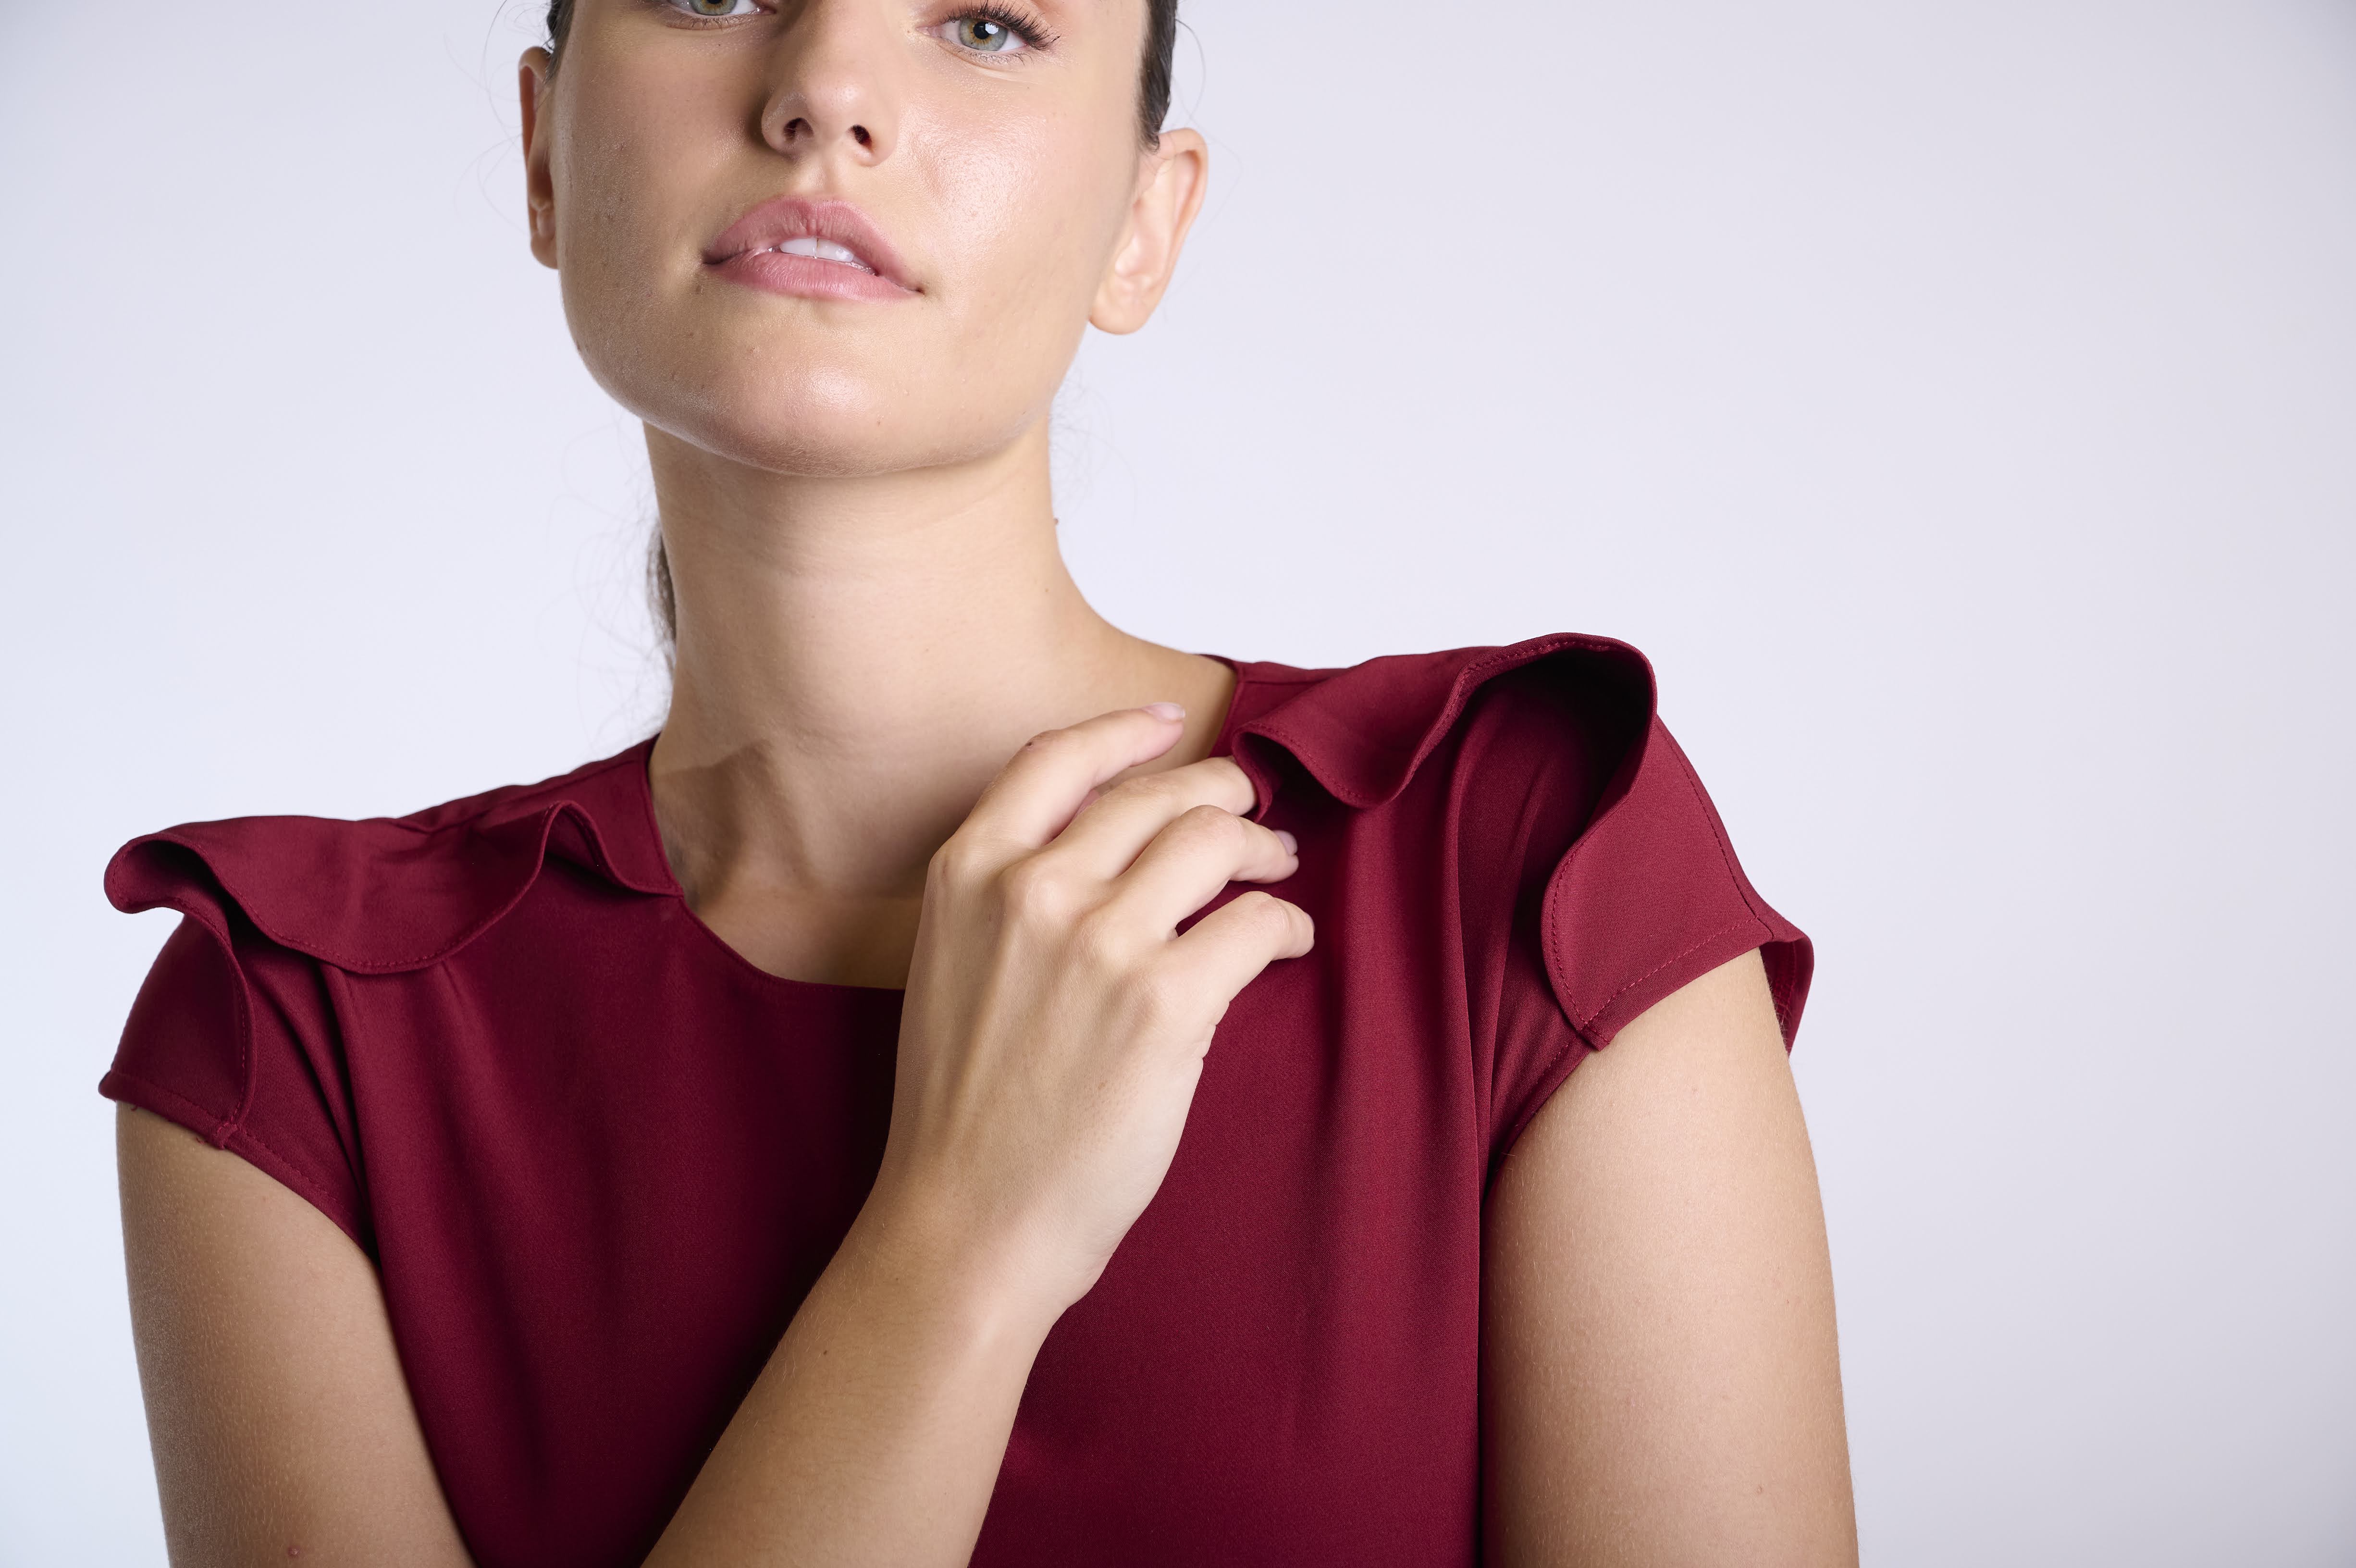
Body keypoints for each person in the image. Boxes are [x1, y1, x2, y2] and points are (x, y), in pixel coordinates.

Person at [103, 1, 1857, 1562]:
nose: (826, 88)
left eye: (990, 24)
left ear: (1144, 224)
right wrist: (964, 1238)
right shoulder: (292, 1032)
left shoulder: (1524, 860)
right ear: (545, 149)